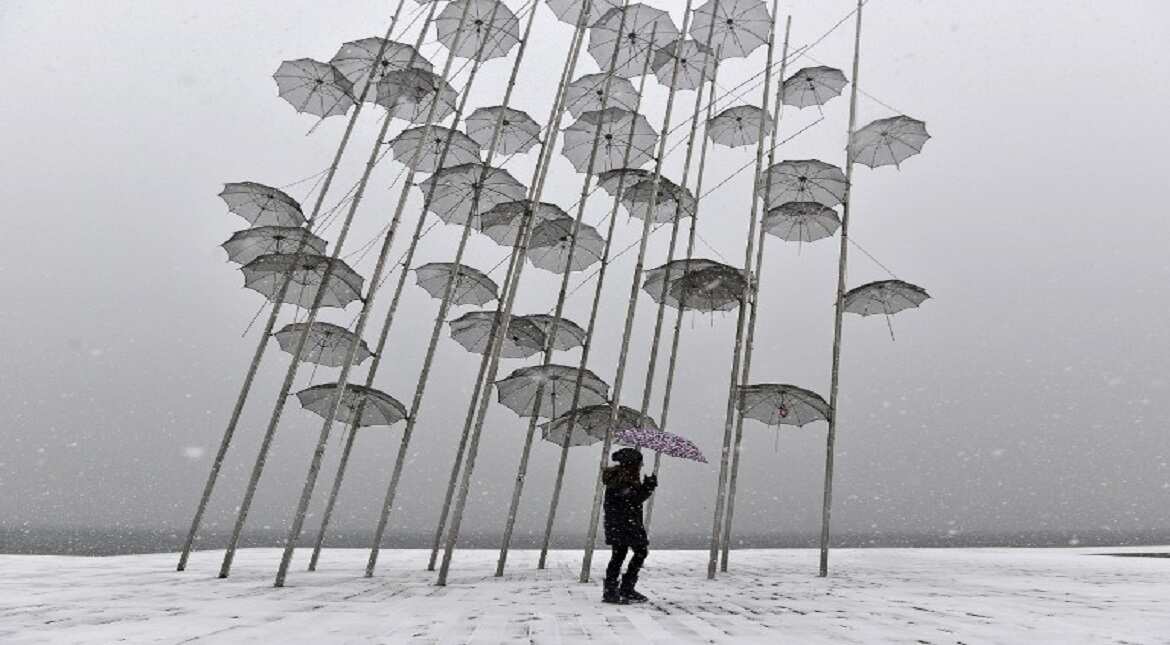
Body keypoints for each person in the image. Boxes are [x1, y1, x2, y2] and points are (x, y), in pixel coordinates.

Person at [601, 447, 657, 604]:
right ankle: (616, 590)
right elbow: (632, 500)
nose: (640, 466)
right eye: (639, 463)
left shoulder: (626, 477)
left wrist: (645, 487)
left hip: (625, 524)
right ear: (631, 464)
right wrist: (648, 487)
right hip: (623, 524)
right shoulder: (620, 479)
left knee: (626, 554)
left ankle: (619, 589)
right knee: (627, 554)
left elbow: (632, 499)